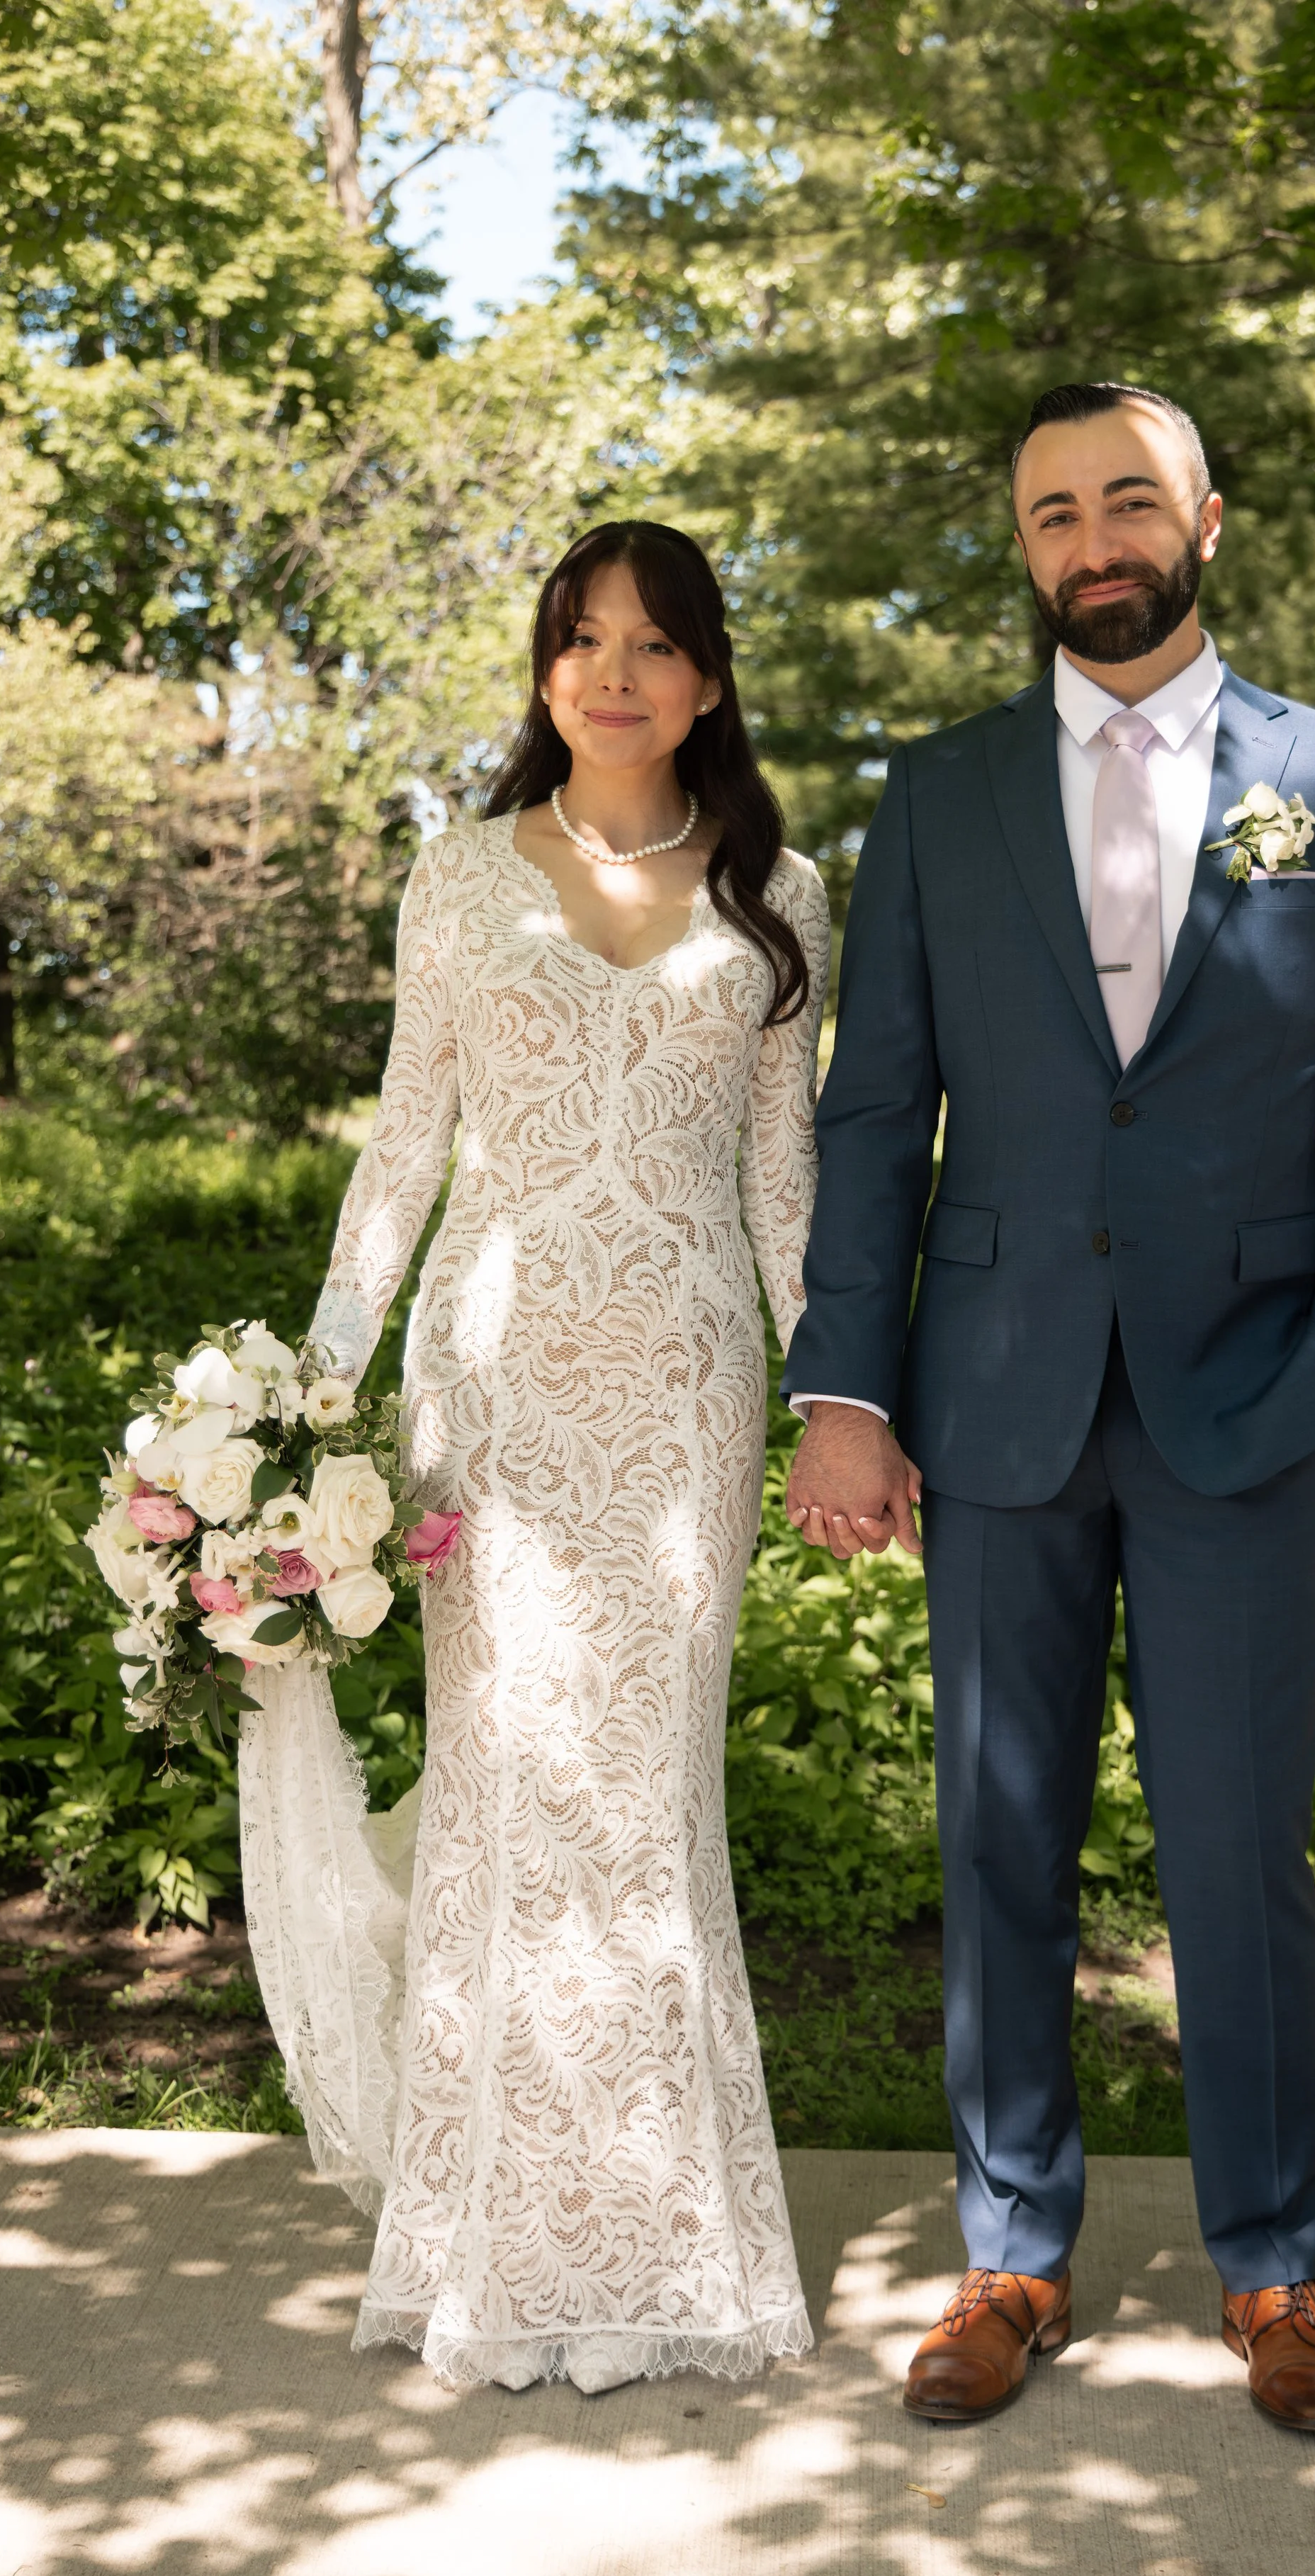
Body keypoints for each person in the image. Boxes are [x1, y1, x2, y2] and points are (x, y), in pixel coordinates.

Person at [783, 382, 1315, 2434]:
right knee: (999, 1831)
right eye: (1055, 512)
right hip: (994, 1390)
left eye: (1129, 502)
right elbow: (875, 1112)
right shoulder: (941, 791)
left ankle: (1272, 2271)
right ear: (1024, 548)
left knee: (1237, 1847)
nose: (1094, 541)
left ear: (1204, 519)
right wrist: (845, 1386)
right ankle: (1009, 2253)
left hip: (1253, 1395)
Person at [243, 519, 830, 2395]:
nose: (614, 674)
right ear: (545, 669)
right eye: (582, 638)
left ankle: (668, 2245)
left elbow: (786, 1189)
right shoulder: (455, 875)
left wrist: (847, 1398)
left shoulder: (780, 891)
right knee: (504, 1791)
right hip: (485, 1396)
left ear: (709, 679)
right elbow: (401, 1154)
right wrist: (296, 1410)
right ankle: (480, 2250)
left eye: (653, 644)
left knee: (646, 1799)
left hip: (681, 1401)